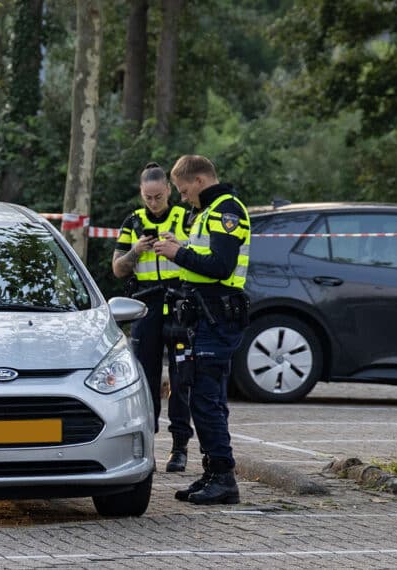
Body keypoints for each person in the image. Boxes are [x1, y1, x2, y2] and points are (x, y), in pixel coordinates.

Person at [153, 155, 250, 505]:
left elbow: (221, 267)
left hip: (218, 315)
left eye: (182, 190)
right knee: (204, 395)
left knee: (206, 398)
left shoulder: (227, 211)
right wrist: (180, 248)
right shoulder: (208, 212)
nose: (181, 198)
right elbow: (204, 259)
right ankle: (212, 472)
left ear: (198, 181)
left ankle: (224, 478)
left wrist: (177, 254)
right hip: (206, 315)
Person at [112, 162, 194, 472]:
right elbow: (117, 268)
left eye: (158, 196)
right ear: (141, 193)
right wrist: (135, 251)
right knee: (144, 380)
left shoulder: (185, 217)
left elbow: (202, 256)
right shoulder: (133, 222)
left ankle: (180, 447)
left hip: (178, 303)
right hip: (145, 306)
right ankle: (147, 446)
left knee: (180, 377)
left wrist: (178, 246)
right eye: (148, 197)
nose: (154, 202)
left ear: (169, 191)